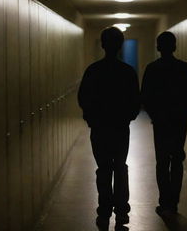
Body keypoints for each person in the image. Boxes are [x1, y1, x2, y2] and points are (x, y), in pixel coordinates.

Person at [78, 27, 140, 230]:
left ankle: (104, 213)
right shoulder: (127, 72)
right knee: (120, 168)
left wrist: (91, 119)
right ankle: (122, 212)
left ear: (103, 45)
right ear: (120, 45)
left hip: (100, 129)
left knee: (104, 169)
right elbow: (135, 101)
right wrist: (127, 118)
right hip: (120, 129)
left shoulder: (93, 70)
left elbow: (83, 98)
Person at [141, 31, 187, 216]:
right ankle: (173, 202)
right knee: (177, 159)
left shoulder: (152, 68)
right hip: (179, 121)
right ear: (174, 46)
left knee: (162, 161)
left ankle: (164, 202)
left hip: (161, 122)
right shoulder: (184, 68)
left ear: (158, 47)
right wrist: (181, 111)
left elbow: (145, 96)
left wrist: (156, 115)